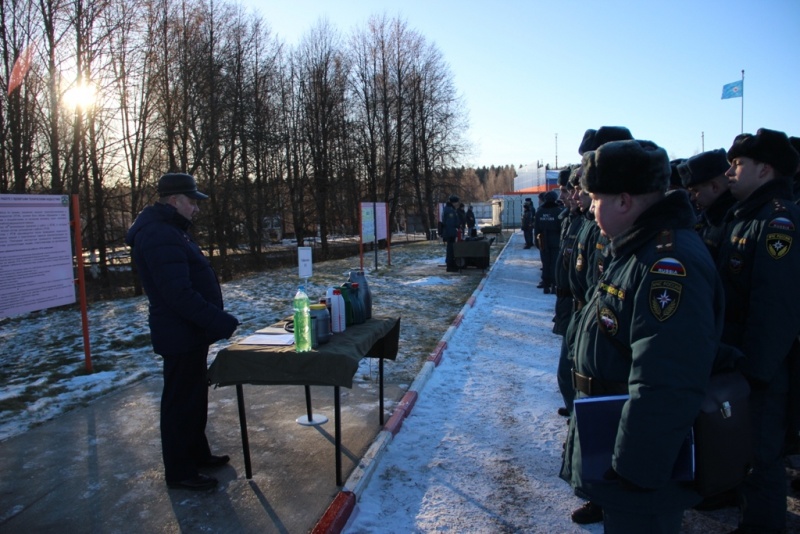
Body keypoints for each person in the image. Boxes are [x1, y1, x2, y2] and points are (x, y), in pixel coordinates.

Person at [560, 139, 724, 533]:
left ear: (624, 201)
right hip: (617, 439)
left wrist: (633, 467)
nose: (590, 206)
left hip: (639, 467)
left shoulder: (667, 261)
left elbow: (666, 379)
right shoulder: (638, 248)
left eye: (597, 198)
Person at [125, 172, 240, 491]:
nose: (196, 208)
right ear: (174, 201)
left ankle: (196, 454)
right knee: (179, 402)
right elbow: (178, 294)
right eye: (192, 201)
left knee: (193, 397)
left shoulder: (171, 231)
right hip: (180, 334)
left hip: (190, 333)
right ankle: (179, 470)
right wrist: (217, 320)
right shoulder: (159, 234)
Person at [717, 128, 800, 533]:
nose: (730, 172)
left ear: (765, 169)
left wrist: (754, 372)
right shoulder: (749, 214)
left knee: (762, 458)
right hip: (744, 360)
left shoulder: (777, 220)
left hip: (764, 369)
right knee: (747, 452)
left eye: (739, 165)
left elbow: (775, 307)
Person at [677, 148, 737, 262]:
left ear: (714, 186)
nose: (692, 198)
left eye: (695, 191)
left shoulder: (733, 220)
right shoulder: (709, 219)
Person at [534, 190, 562, 293]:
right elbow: (562, 228)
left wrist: (536, 241)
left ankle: (546, 284)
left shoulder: (540, 211)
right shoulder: (558, 211)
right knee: (554, 263)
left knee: (545, 263)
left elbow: (536, 228)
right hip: (556, 240)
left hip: (543, 240)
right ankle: (554, 284)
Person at [442, 194, 460, 272]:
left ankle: (450, 264)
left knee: (451, 249)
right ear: (453, 202)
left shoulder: (449, 209)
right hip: (450, 233)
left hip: (450, 232)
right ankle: (450, 266)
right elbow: (450, 223)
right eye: (456, 202)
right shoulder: (450, 211)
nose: (457, 204)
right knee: (450, 250)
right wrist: (453, 233)